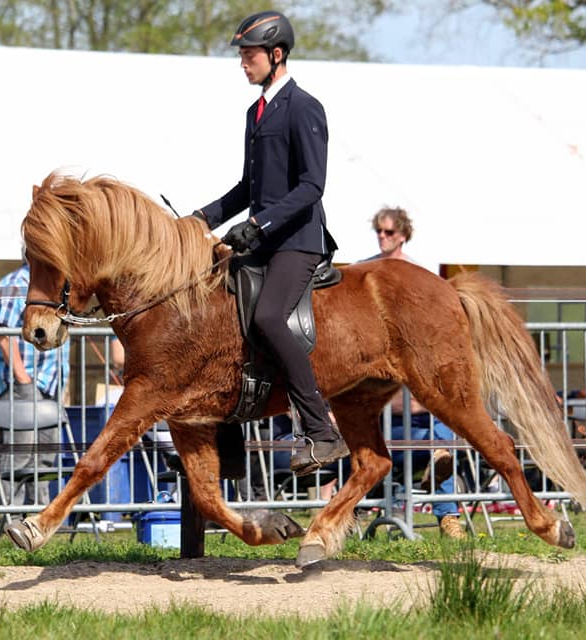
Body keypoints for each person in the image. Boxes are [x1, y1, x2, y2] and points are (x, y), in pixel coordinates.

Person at [191, 11, 347, 476]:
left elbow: (311, 186)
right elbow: (248, 185)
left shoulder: (304, 107)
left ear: (276, 55)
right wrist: (203, 217)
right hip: (262, 239)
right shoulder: (254, 112)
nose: (243, 63)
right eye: (241, 55)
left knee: (267, 317)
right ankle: (230, 439)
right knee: (217, 316)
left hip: (297, 239)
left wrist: (258, 225)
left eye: (249, 55)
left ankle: (320, 430)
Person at [364, 207, 466, 539]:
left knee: (441, 425)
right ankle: (348, 513)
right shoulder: (366, 271)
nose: (382, 236)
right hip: (383, 397)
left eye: (389, 232)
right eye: (379, 231)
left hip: (416, 395)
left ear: (403, 234)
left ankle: (448, 514)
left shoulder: (419, 274)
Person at [0, 258, 71, 506]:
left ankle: (38, 513)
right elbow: (3, 334)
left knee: (46, 456)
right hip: (23, 384)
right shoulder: (15, 284)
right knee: (19, 455)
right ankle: (12, 516)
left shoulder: (56, 286)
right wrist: (22, 378)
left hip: (50, 384)